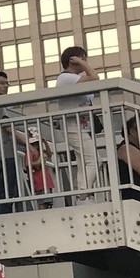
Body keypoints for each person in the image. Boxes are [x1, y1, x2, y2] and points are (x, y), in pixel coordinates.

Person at [55, 46, 101, 203]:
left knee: (83, 162)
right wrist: (82, 63)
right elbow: (95, 77)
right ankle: (83, 194)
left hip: (80, 126)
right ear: (73, 60)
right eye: (82, 58)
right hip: (72, 126)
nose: (85, 61)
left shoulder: (74, 79)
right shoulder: (66, 78)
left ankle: (82, 196)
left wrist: (81, 62)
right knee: (94, 160)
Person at [0, 70, 27, 214]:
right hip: (4, 152)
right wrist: (26, 142)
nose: (6, 86)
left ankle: (0, 214)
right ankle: (2, 216)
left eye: (7, 83)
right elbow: (7, 126)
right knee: (7, 188)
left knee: (4, 187)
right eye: (2, 83)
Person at [24, 129, 56, 209]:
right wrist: (38, 163)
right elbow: (28, 163)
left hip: (46, 181)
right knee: (42, 203)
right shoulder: (30, 152)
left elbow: (49, 154)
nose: (36, 145)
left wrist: (45, 142)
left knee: (48, 203)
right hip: (38, 181)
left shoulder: (40, 152)